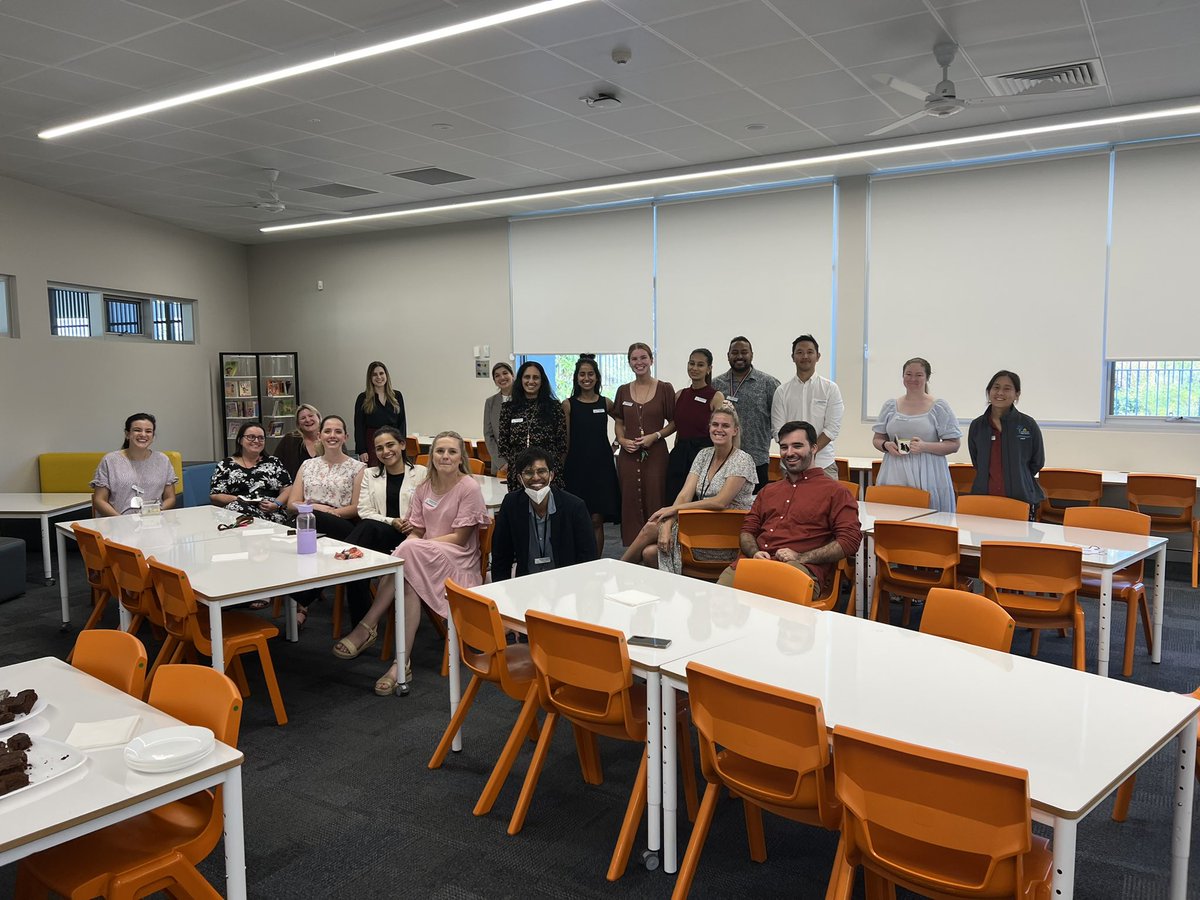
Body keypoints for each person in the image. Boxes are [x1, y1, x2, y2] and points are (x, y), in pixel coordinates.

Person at [335, 432, 490, 696]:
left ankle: (368, 624)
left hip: (457, 561)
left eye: (452, 452)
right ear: (432, 457)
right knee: (406, 574)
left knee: (406, 554)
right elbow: (416, 530)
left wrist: (417, 547)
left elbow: (461, 538)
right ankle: (400, 663)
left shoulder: (469, 487)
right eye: (440, 451)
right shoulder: (424, 488)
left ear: (461, 457)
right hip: (424, 558)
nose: (445, 456)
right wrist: (417, 546)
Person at [719, 421, 861, 596]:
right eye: (784, 447)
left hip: (799, 568)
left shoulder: (836, 492)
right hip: (755, 563)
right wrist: (754, 552)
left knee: (769, 604)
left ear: (814, 448)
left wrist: (801, 557)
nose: (790, 453)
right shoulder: (768, 491)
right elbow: (747, 530)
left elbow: (850, 541)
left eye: (797, 446)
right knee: (717, 607)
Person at [621, 405, 755, 573]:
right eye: (715, 425)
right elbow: (685, 495)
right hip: (701, 526)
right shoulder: (704, 455)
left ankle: (618, 570)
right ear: (709, 427)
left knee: (650, 527)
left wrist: (672, 509)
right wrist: (668, 522)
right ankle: (662, 594)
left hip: (726, 536)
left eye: (725, 426)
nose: (719, 429)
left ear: (735, 431)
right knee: (649, 553)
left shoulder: (743, 460)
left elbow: (720, 502)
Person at [334, 426, 428, 640]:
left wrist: (412, 523)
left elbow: (428, 507)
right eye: (379, 448)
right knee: (358, 560)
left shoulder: (420, 473)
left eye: (390, 445)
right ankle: (361, 622)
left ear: (402, 445)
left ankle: (337, 565)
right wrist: (392, 521)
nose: (385, 451)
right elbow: (365, 511)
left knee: (356, 551)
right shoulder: (370, 474)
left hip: (411, 537)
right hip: (383, 533)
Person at [287, 414, 365, 627]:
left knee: (304, 524)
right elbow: (292, 503)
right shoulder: (307, 465)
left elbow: (357, 508)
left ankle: (302, 600)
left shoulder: (357, 467)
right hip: (311, 521)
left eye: (338, 431)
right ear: (319, 436)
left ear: (346, 436)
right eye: (328, 431)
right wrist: (316, 508)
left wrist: (327, 513)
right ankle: (301, 600)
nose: (333, 435)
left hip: (342, 524)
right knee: (307, 526)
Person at [492, 446, 596, 580]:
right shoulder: (511, 505)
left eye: (541, 471)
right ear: (520, 478)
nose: (536, 477)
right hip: (526, 584)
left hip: (567, 585)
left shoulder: (574, 507)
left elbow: (588, 556)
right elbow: (501, 555)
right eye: (528, 472)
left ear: (551, 475)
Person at [872, 357, 961, 513]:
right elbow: (877, 439)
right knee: (892, 514)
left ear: (927, 378)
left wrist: (924, 446)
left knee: (928, 518)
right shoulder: (890, 406)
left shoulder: (939, 406)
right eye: (909, 374)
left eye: (919, 375)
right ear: (903, 377)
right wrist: (886, 446)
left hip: (929, 471)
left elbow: (954, 444)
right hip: (894, 469)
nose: (913, 379)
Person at [614, 342, 676, 546]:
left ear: (651, 360)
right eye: (634, 359)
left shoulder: (665, 389)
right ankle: (633, 549)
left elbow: (674, 423)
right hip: (628, 457)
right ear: (629, 362)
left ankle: (657, 547)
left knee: (656, 498)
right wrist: (622, 441)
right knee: (630, 502)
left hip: (656, 455)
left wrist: (655, 436)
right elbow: (619, 421)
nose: (639, 362)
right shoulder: (623, 391)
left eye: (643, 358)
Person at [561, 355, 620, 555]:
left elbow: (623, 421)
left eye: (590, 374)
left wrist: (615, 443)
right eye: (582, 374)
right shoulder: (568, 404)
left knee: (597, 520)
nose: (586, 378)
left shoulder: (606, 403)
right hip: (576, 467)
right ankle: (576, 561)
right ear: (576, 378)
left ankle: (596, 561)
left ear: (597, 377)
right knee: (576, 517)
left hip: (601, 468)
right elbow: (566, 440)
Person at [967, 370, 1045, 516]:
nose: (1000, 392)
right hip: (984, 498)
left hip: (1019, 499)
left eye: (1007, 388)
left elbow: (1037, 461)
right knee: (982, 538)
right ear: (989, 391)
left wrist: (1017, 478)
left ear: (1017, 394)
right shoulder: (977, 425)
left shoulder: (1027, 424)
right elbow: (977, 461)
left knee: (1016, 538)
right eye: (996, 387)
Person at [770, 334, 844, 480]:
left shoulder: (830, 389)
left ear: (818, 356)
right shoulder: (782, 391)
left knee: (827, 503)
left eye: (810, 352)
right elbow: (778, 430)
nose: (805, 356)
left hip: (823, 464)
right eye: (800, 352)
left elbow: (832, 429)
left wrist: (809, 452)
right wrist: (798, 453)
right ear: (792, 357)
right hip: (790, 466)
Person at [712, 336, 780, 493]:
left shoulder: (768, 383)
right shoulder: (716, 384)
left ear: (752, 354)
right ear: (728, 355)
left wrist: (762, 438)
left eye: (744, 352)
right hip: (723, 460)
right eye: (734, 352)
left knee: (755, 509)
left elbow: (778, 420)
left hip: (756, 460)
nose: (739, 356)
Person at [665, 348, 726, 502]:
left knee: (697, 502)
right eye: (691, 363)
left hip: (704, 456)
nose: (694, 368)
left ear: (709, 369)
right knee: (674, 497)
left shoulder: (716, 396)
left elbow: (721, 430)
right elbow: (677, 425)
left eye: (700, 365)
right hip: (679, 455)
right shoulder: (680, 395)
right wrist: (656, 436)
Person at [91, 413, 178, 517]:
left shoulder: (163, 460)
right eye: (137, 430)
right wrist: (121, 520)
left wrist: (155, 512)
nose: (143, 434)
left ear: (153, 436)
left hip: (153, 523)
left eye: (148, 431)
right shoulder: (110, 460)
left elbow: (170, 498)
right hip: (117, 524)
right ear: (127, 434)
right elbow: (99, 500)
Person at [498, 361, 567, 492]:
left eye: (535, 377)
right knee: (521, 509)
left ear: (542, 381)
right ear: (520, 380)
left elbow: (561, 443)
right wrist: (518, 463)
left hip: (547, 472)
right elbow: (503, 444)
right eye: (527, 377)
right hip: (520, 472)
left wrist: (549, 466)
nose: (531, 381)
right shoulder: (508, 408)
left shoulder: (554, 407)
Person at [208, 421, 292, 524]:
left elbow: (288, 488)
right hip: (236, 512)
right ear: (240, 440)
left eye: (261, 438)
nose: (256, 441)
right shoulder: (225, 465)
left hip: (269, 513)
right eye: (251, 437)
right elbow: (215, 496)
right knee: (236, 508)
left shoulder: (273, 462)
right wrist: (238, 499)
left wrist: (276, 504)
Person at [353, 361, 406, 466]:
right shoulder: (363, 398)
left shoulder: (397, 396)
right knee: (375, 475)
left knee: (393, 471)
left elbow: (402, 422)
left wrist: (401, 444)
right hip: (372, 443)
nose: (379, 377)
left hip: (393, 440)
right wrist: (362, 450)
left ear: (386, 375)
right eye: (374, 374)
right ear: (370, 378)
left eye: (381, 373)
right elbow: (359, 426)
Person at [482, 361, 515, 474]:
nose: (502, 377)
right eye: (497, 375)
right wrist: (501, 462)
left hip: (523, 462)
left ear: (512, 375)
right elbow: (488, 434)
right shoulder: (490, 402)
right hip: (500, 465)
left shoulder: (524, 399)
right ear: (495, 381)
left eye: (505, 373)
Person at [275, 403, 321, 479]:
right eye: (303, 418)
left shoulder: (329, 438)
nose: (308, 420)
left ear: (318, 418)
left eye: (311, 416)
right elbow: (275, 463)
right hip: (294, 487)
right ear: (298, 424)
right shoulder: (290, 439)